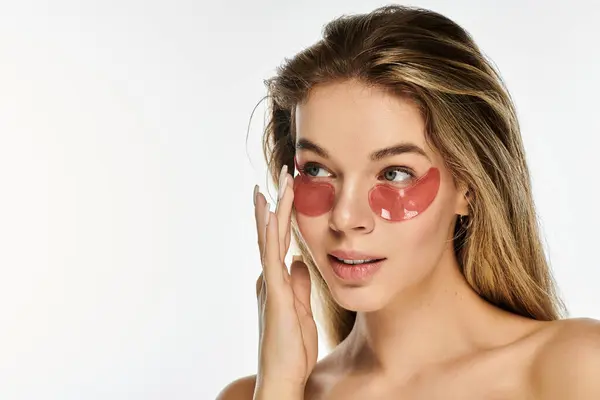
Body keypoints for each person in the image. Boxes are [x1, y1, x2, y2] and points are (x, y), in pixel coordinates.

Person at [217, 4, 600, 399]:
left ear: (467, 187)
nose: (346, 218)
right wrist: (279, 385)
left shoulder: (576, 368)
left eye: (394, 174)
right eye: (316, 170)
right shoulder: (255, 394)